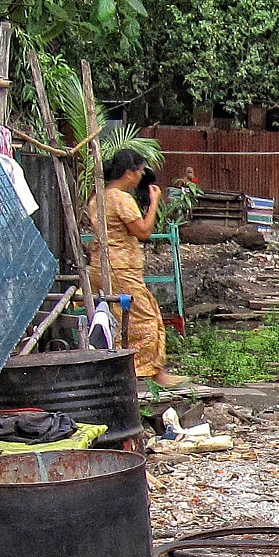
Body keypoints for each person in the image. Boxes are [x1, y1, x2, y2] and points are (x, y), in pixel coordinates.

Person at [86, 150, 187, 387]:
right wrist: (154, 203)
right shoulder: (121, 198)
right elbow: (143, 232)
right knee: (147, 317)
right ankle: (151, 372)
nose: (141, 176)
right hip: (121, 269)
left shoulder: (97, 197)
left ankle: (126, 370)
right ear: (130, 173)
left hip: (101, 266)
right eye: (140, 171)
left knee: (120, 320)